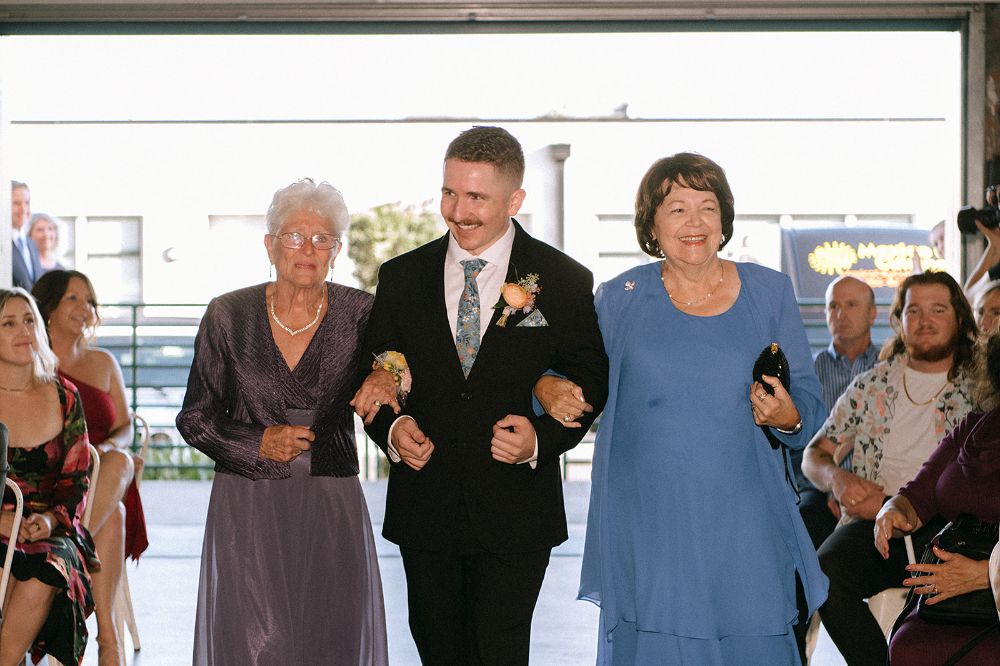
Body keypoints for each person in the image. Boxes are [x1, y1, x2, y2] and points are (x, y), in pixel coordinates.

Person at [353, 126, 609, 664]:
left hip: (516, 509)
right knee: (436, 648)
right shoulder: (401, 277)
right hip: (426, 505)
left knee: (501, 650)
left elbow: (588, 376)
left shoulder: (562, 280)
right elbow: (376, 366)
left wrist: (540, 439)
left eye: (476, 198)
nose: (458, 211)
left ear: (515, 200)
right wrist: (393, 431)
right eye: (449, 193)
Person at [563, 152, 827, 664]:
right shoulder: (620, 298)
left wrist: (788, 416)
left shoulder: (769, 291)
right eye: (677, 208)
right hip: (650, 527)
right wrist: (551, 390)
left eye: (707, 207)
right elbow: (573, 379)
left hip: (745, 522)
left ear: (724, 219)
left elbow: (810, 406)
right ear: (651, 223)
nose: (695, 222)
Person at [176, 179, 388, 665]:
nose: (308, 248)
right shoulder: (227, 314)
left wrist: (390, 375)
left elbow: (393, 370)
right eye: (295, 235)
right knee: (256, 644)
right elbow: (195, 418)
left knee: (330, 641)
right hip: (249, 505)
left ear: (337, 249)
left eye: (323, 238)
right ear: (270, 245)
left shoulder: (362, 313)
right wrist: (257, 443)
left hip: (330, 506)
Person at [803, 270, 979, 666]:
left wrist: (891, 501)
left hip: (950, 528)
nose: (925, 320)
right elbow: (814, 454)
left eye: (938, 309)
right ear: (898, 319)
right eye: (913, 310)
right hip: (873, 527)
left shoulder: (978, 389)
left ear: (959, 319)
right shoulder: (872, 385)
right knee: (823, 574)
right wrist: (838, 479)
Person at [31, 269, 146, 665]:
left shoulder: (104, 361)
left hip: (102, 474)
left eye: (90, 301)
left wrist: (109, 446)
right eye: (74, 299)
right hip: (54, 481)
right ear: (48, 308)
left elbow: (126, 425)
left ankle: (61, 559)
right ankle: (107, 641)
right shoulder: (31, 363)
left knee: (118, 461)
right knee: (113, 514)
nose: (86, 309)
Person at [874, 329, 1000, 664]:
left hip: (992, 595)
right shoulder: (975, 425)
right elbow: (916, 497)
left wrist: (984, 574)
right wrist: (893, 511)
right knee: (906, 647)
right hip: (950, 595)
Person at [0, 287, 99, 666]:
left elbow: (77, 480)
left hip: (51, 529)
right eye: (8, 322)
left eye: (29, 320)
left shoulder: (64, 395)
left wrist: (48, 519)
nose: (23, 330)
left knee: (48, 567)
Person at [10, 181, 43, 290]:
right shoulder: (3, 245)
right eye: (17, 203)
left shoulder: (31, 243)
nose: (23, 209)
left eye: (27, 203)